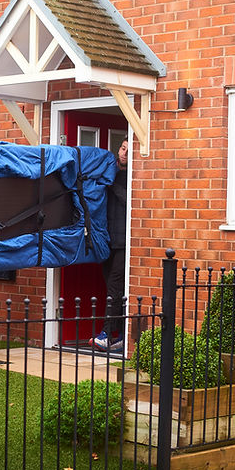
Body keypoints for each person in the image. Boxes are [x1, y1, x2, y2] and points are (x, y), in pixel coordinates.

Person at [90, 139, 128, 352]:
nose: (124, 154)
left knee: (114, 287)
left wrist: (112, 185)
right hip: (107, 241)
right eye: (122, 149)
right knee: (114, 289)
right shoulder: (108, 171)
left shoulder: (132, 177)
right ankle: (120, 334)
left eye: (129, 151)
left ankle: (105, 335)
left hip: (124, 244)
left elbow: (131, 202)